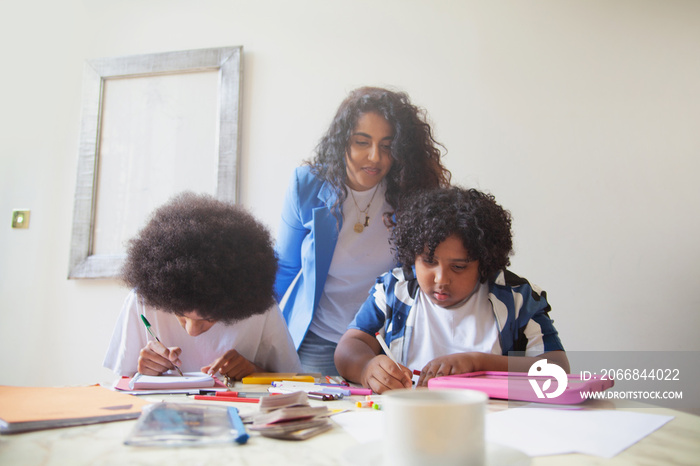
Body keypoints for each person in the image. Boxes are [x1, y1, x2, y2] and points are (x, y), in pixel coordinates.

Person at [274, 86, 451, 375]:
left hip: (386, 341)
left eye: (387, 145)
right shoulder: (306, 186)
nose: (374, 157)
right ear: (342, 141)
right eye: (361, 142)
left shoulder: (414, 192)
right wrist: (248, 337)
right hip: (318, 340)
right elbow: (284, 268)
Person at [334, 186, 569, 393]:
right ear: (412, 256)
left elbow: (557, 368)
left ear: (484, 263)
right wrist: (367, 367)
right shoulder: (396, 290)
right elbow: (349, 347)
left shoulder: (517, 298)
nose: (441, 278)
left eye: (458, 267)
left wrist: (477, 363)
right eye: (428, 261)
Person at [103, 192, 301, 380]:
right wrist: (143, 371)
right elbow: (124, 384)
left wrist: (255, 371)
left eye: (208, 318)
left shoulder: (259, 305)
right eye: (181, 314)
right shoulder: (143, 301)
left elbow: (294, 381)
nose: (192, 331)